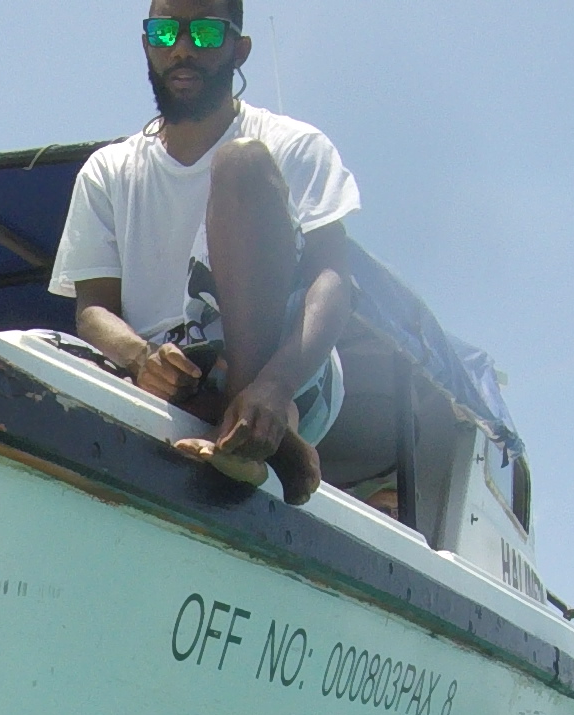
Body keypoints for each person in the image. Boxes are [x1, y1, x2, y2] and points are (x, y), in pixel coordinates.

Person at [49, 0, 358, 504]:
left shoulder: (294, 143)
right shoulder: (106, 171)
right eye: (165, 33)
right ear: (147, 44)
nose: (182, 49)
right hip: (178, 378)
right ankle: (264, 442)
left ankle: (256, 423)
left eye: (206, 35)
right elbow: (92, 308)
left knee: (242, 164)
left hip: (289, 372)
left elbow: (334, 278)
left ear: (240, 49)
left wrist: (275, 387)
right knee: (33, 346)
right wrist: (142, 358)